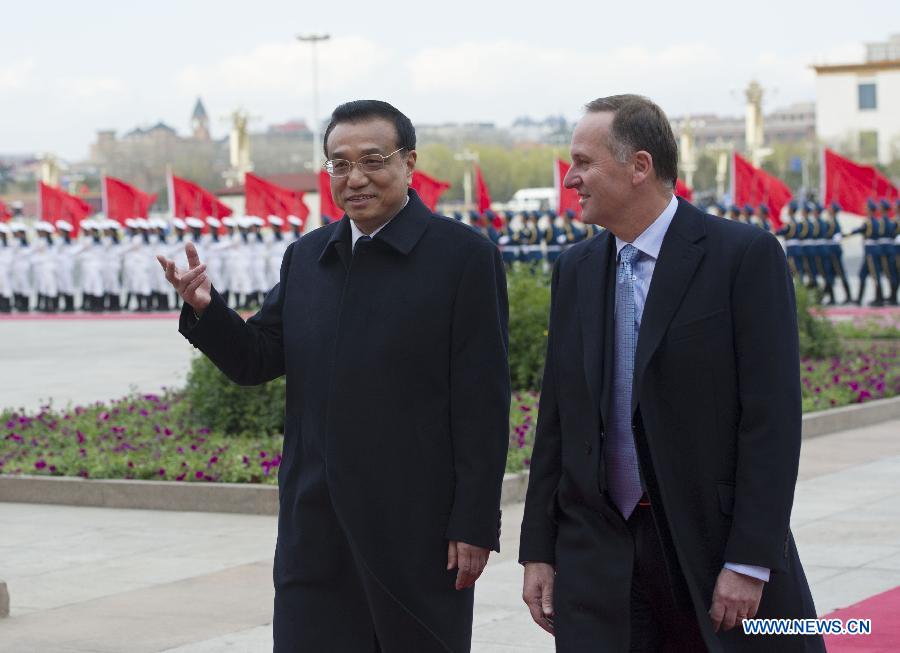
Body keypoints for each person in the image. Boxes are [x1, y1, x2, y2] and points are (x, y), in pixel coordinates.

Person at [158, 99, 510, 653]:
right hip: (315, 527)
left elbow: (482, 401)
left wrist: (473, 523)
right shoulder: (309, 257)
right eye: (340, 164)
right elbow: (256, 358)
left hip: (415, 529)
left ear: (409, 161)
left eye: (373, 160)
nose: (356, 178)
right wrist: (207, 309)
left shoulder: (463, 257)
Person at [519, 94, 822, 652]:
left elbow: (771, 421)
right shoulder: (575, 272)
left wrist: (750, 560)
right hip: (600, 552)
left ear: (640, 166)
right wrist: (539, 549)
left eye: (583, 163)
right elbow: (558, 422)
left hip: (707, 546)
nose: (570, 180)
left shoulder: (742, 257)